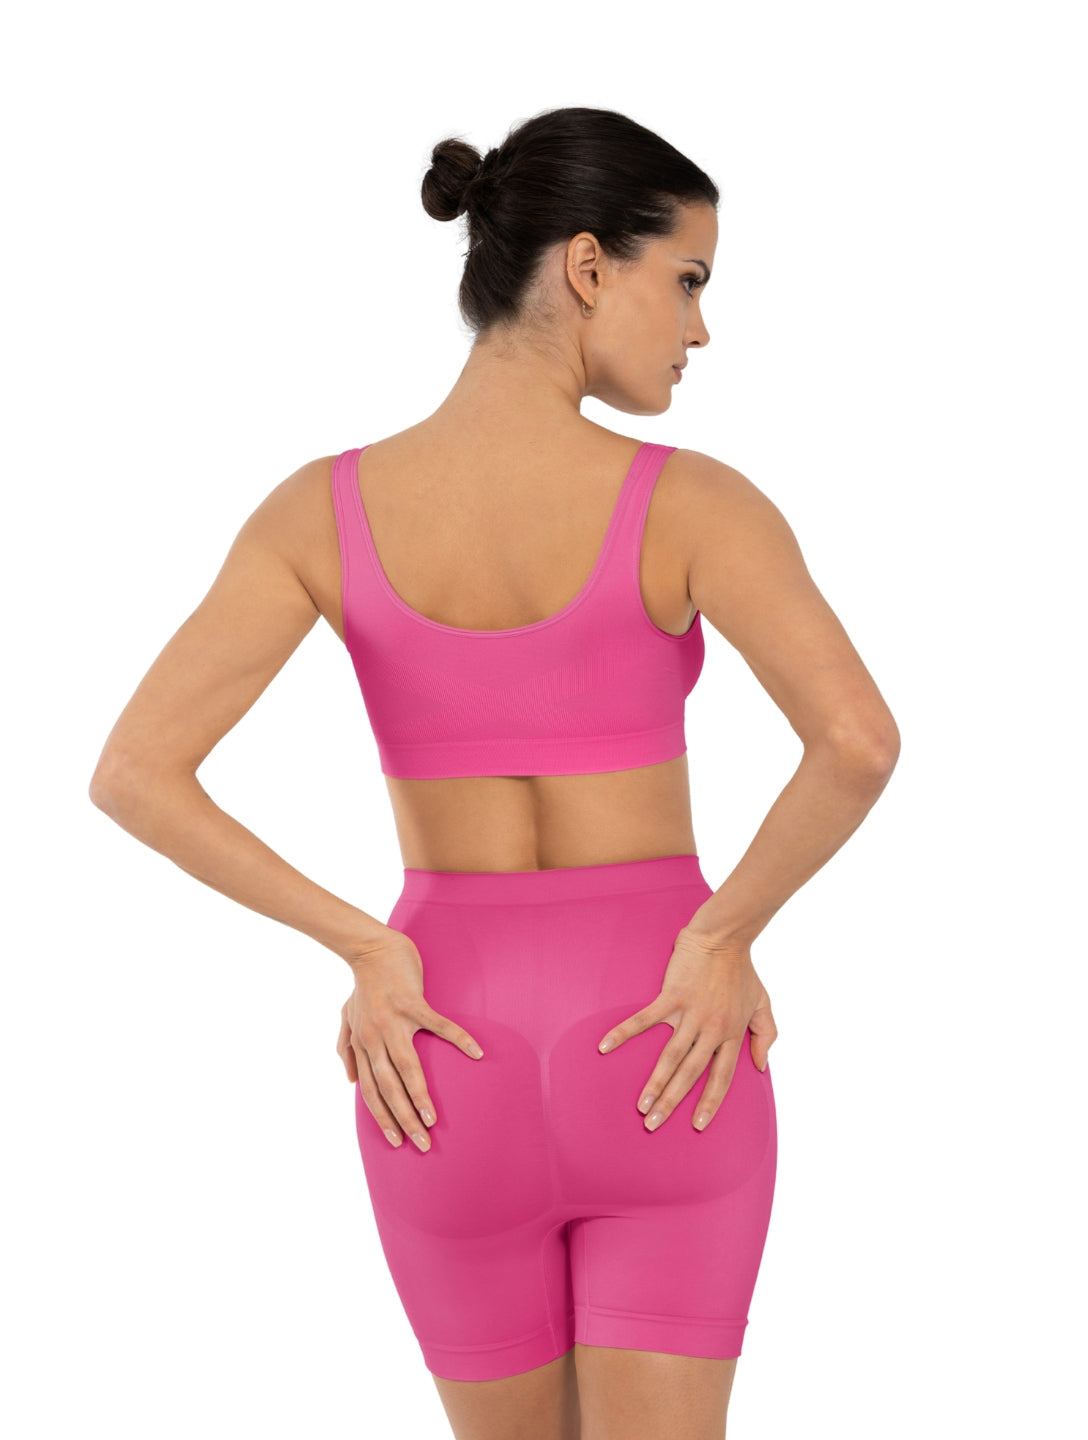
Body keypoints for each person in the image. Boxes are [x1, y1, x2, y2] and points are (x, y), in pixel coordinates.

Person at [89, 106, 900, 1440]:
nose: (700, 329)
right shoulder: (695, 504)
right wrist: (724, 936)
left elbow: (135, 772)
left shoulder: (318, 512)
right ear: (587, 265)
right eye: (688, 279)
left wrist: (364, 946)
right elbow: (857, 741)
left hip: (439, 1048)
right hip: (664, 1038)